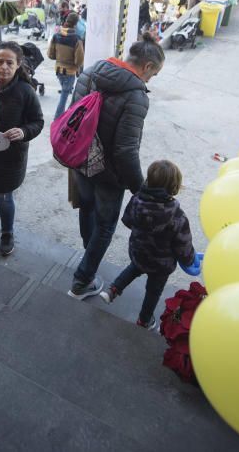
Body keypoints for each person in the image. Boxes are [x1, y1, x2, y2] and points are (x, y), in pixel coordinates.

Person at [67, 33, 165, 300]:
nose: (149, 80)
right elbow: (125, 151)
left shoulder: (91, 71)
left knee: (86, 209)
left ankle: (89, 254)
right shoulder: (136, 96)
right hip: (109, 175)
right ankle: (82, 280)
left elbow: (74, 114)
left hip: (80, 159)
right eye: (152, 75)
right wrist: (139, 188)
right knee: (106, 225)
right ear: (146, 66)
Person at [100, 160, 202, 329]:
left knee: (133, 269)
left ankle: (112, 290)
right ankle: (144, 320)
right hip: (161, 264)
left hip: (139, 252)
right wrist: (190, 261)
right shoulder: (177, 216)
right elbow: (183, 246)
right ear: (174, 186)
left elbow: (127, 221)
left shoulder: (137, 200)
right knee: (153, 292)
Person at [0, 42, 44, 256]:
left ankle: (7, 232)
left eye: (9, 63)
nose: (4, 67)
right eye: (0, 62)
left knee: (5, 197)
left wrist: (23, 132)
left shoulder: (26, 91)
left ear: (18, 64)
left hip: (11, 158)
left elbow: (37, 121)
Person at [48, 12, 85, 119]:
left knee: (66, 91)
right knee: (64, 96)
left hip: (58, 70)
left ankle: (64, 116)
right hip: (69, 72)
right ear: (76, 24)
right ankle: (58, 118)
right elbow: (79, 60)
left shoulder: (56, 35)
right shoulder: (76, 39)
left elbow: (50, 55)